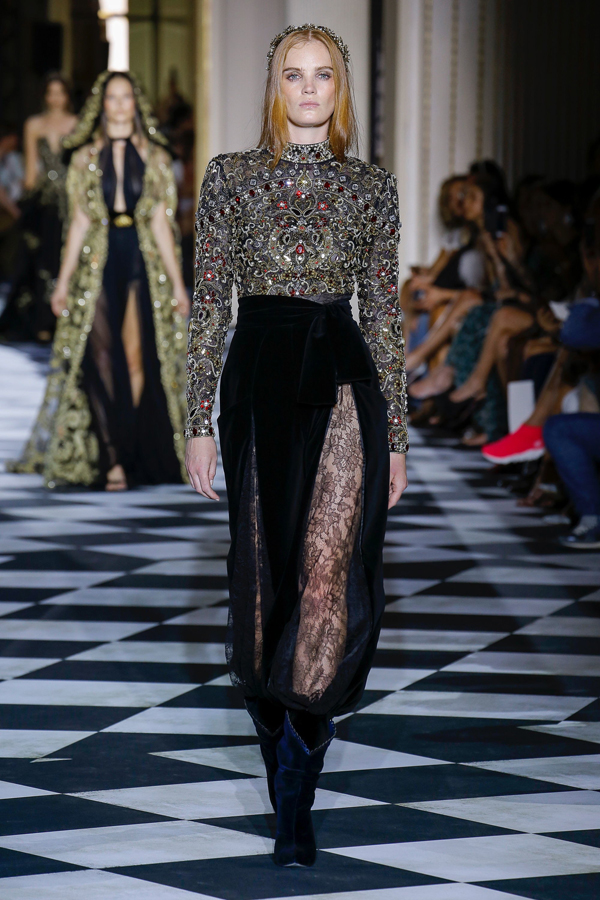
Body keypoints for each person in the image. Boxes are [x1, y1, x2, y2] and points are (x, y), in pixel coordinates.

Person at [185, 25, 408, 867]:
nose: (309, 88)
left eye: (323, 75)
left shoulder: (372, 185)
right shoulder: (230, 177)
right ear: (274, 85)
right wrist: (197, 420)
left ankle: (294, 796)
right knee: (262, 583)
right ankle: (279, 745)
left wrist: (398, 437)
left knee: (327, 579)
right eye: (294, 74)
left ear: (339, 88)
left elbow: (383, 312)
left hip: (343, 379)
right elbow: (209, 303)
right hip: (256, 382)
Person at [10, 70, 189, 489]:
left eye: (126, 97)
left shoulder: (156, 156)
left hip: (139, 259)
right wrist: (62, 282)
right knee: (100, 357)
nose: (119, 105)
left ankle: (127, 450)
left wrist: (179, 285)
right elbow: (79, 222)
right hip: (98, 260)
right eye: (112, 98)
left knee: (136, 358)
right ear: (102, 105)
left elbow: (161, 224)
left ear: (136, 103)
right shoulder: (85, 156)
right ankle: (111, 456)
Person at [0, 74, 76, 342]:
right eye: (51, 92)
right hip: (45, 200)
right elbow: (31, 172)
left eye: (60, 92)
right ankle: (43, 322)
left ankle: (67, 321)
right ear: (44, 95)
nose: (55, 98)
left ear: (67, 95)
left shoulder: (77, 124)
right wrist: (24, 196)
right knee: (42, 258)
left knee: (68, 255)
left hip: (72, 198)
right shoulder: (34, 124)